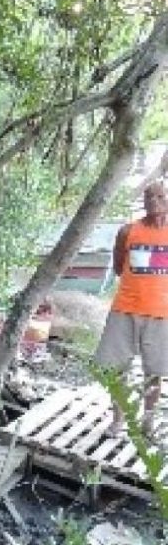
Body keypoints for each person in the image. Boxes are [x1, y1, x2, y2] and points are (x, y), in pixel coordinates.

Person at [94, 180, 168, 438]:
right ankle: (117, 420)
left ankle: (148, 422)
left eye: (159, 196)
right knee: (115, 369)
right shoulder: (128, 232)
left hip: (161, 314)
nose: (153, 201)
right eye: (148, 197)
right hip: (125, 309)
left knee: (155, 372)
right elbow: (118, 267)